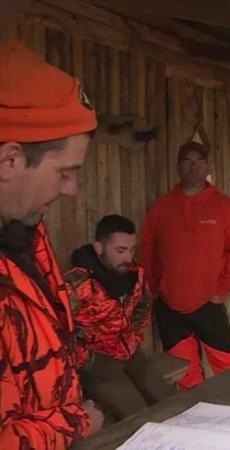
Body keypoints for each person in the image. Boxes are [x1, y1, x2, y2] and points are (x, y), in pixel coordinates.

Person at [0, 40, 103, 447]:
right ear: (10, 160)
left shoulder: (25, 233)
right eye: (65, 172)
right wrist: (76, 422)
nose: (73, 189)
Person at [141, 141, 230, 389]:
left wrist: (223, 291)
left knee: (228, 367)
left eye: (199, 160)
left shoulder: (224, 206)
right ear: (178, 167)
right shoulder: (162, 206)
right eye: (187, 161)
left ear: (207, 166)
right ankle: (198, 418)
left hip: (209, 304)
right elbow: (148, 250)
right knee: (187, 376)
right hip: (170, 307)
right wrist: (154, 289)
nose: (194, 166)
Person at [65, 214, 176, 422]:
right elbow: (57, 329)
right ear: (99, 248)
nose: (128, 258)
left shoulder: (134, 274)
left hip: (128, 350)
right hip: (96, 361)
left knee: (169, 400)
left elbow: (144, 304)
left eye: (132, 250)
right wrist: (87, 360)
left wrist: (134, 335)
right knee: (137, 415)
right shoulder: (77, 284)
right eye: (120, 251)